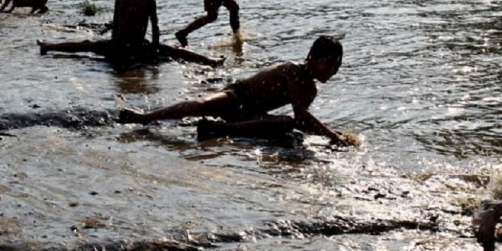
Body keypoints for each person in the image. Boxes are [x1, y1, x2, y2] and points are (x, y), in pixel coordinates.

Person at [118, 35, 354, 146]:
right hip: (237, 96)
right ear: (312, 57)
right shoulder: (293, 70)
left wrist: (332, 136)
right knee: (202, 105)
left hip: (250, 113)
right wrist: (332, 136)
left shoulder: (311, 90)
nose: (333, 70)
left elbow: (300, 120)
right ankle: (144, 117)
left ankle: (219, 130)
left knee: (284, 123)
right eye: (329, 63)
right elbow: (302, 115)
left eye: (337, 66)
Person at [36, 0, 223, 67]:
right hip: (131, 45)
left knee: (87, 45)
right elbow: (153, 26)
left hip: (125, 45)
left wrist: (153, 46)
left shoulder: (132, 1)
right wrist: (155, 46)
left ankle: (49, 46)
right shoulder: (139, 1)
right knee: (173, 51)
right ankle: (209, 61)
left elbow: (149, 25)